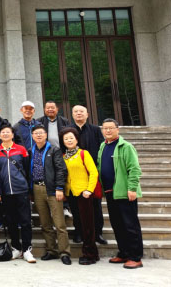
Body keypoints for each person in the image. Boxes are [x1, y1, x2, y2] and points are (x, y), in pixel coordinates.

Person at [98, 119, 144, 269]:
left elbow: (134, 169)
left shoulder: (126, 146)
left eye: (111, 128)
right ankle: (124, 253)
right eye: (105, 128)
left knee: (130, 225)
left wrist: (132, 188)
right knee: (117, 225)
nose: (108, 131)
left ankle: (135, 257)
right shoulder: (103, 146)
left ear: (117, 129)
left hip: (124, 192)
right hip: (110, 192)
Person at [0, 123, 35, 263]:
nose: (5, 134)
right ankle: (16, 248)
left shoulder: (21, 149)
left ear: (12, 134)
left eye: (8, 132)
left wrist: (29, 188)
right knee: (11, 221)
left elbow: (28, 169)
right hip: (6, 192)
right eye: (3, 132)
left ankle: (27, 249)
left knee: (25, 221)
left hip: (21, 190)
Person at [29, 126, 70, 265]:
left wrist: (59, 187)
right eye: (36, 133)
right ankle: (51, 250)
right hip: (37, 188)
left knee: (59, 224)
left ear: (46, 135)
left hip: (52, 189)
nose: (39, 135)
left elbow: (61, 169)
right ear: (32, 136)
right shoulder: (31, 150)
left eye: (41, 133)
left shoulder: (54, 150)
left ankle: (64, 252)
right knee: (45, 223)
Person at [60, 127, 100, 265]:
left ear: (76, 139)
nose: (69, 140)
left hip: (84, 194)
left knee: (88, 225)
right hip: (71, 194)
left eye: (71, 138)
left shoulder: (84, 153)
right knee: (79, 223)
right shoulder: (64, 156)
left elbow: (93, 172)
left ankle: (91, 254)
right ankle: (89, 252)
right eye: (66, 139)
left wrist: (89, 190)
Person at [71, 105, 107, 245]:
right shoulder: (68, 130)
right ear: (72, 115)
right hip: (75, 173)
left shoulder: (95, 130)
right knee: (76, 206)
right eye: (76, 111)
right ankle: (79, 232)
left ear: (87, 114)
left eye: (81, 111)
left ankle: (98, 233)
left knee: (96, 205)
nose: (79, 113)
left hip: (92, 172)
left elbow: (102, 148)